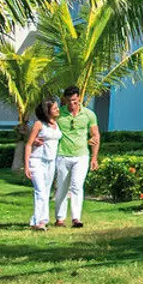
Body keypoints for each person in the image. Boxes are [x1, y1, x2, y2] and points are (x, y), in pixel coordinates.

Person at [53, 85, 99, 228]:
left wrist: (94, 157)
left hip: (82, 156)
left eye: (74, 101)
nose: (72, 104)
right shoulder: (59, 114)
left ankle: (76, 218)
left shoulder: (89, 115)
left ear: (79, 98)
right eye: (69, 101)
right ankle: (60, 219)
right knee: (61, 187)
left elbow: (95, 136)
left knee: (77, 186)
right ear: (65, 100)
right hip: (62, 155)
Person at [22, 99, 61, 231]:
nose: (57, 109)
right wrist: (26, 165)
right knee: (40, 191)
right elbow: (28, 144)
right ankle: (39, 222)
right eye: (55, 108)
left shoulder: (56, 124)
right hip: (37, 160)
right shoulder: (39, 124)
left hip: (51, 161)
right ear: (47, 111)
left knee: (46, 190)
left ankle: (38, 219)